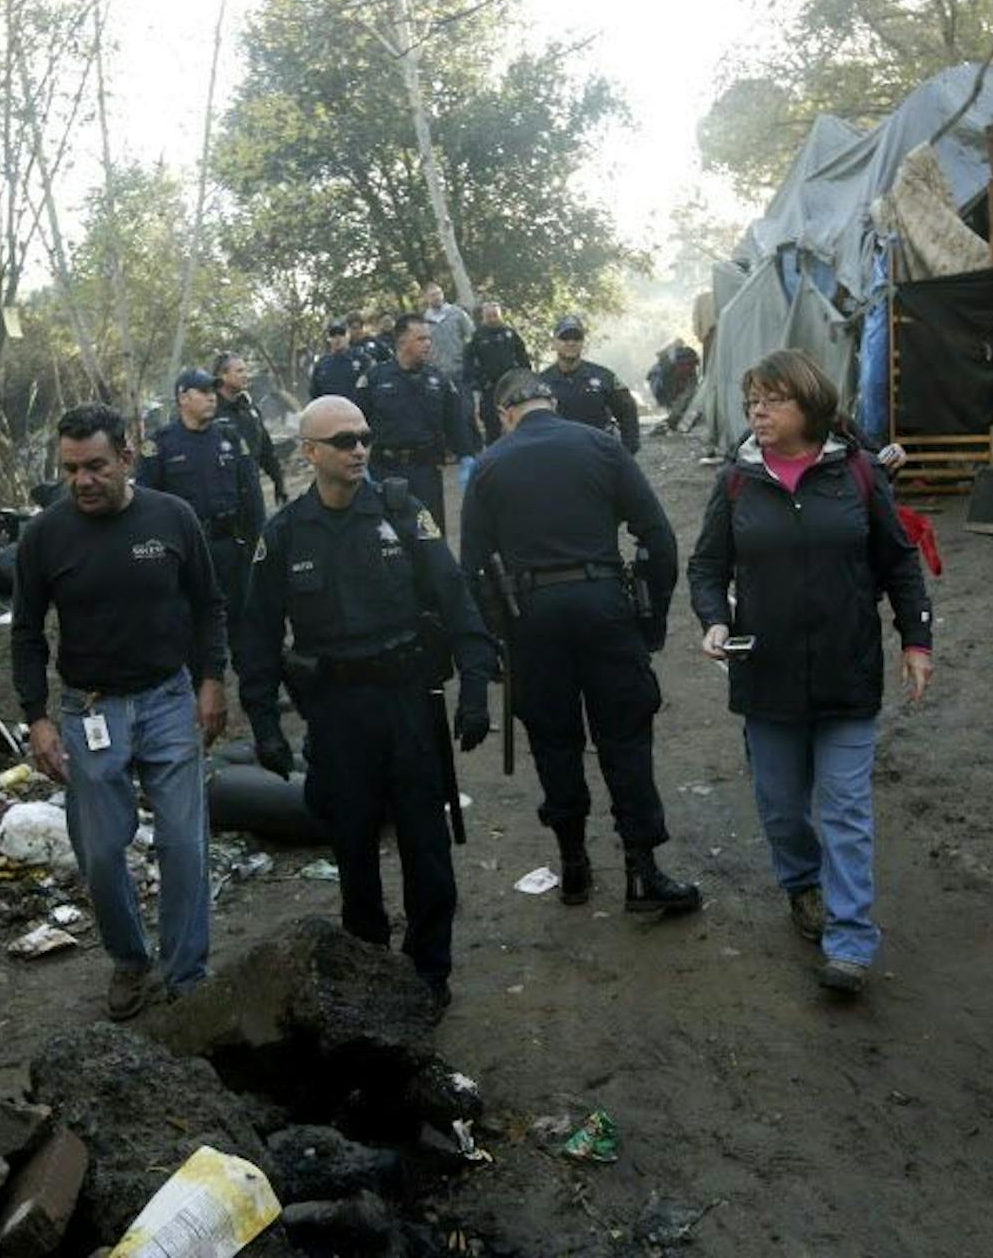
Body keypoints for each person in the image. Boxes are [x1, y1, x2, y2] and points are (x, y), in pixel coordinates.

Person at [687, 349, 933, 996]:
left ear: (809, 404)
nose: (757, 412)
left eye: (772, 399)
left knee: (846, 808)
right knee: (780, 806)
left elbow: (899, 561)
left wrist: (917, 640)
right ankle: (802, 884)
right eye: (751, 402)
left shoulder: (856, 473)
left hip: (846, 670)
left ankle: (850, 938)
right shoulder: (738, 480)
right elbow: (707, 566)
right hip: (764, 676)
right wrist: (713, 619)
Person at [236, 395, 496, 1008]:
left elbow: (456, 597)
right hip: (337, 715)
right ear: (309, 452)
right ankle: (372, 970)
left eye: (364, 438)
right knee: (353, 852)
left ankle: (430, 975)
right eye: (344, 441)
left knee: (426, 851)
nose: (359, 450)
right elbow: (256, 637)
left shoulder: (403, 513)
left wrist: (477, 687)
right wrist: (266, 725)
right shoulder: (284, 535)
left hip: (407, 704)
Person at [14, 403, 229, 1020]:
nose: (82, 480)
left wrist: (212, 680)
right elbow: (26, 631)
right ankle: (130, 960)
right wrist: (38, 717)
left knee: (184, 844)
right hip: (90, 712)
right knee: (103, 852)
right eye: (71, 469)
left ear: (127, 459)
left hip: (169, 700)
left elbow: (209, 604)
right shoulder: (44, 535)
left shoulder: (172, 517)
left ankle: (188, 976)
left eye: (96, 466)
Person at [461, 372, 701, 915]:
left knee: (554, 741)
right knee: (626, 738)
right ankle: (642, 873)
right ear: (552, 402)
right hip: (603, 606)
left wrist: (494, 639)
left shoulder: (490, 465)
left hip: (532, 619)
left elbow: (470, 568)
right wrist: (652, 620)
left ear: (504, 414)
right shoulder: (600, 446)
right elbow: (659, 540)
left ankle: (573, 868)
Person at [138, 368, 264, 659]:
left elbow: (252, 494)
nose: (212, 398)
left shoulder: (229, 437)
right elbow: (147, 503)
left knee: (247, 624)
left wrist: (255, 542)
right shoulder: (161, 445)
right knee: (193, 629)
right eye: (204, 392)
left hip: (229, 546)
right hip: (187, 552)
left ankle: (258, 698)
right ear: (183, 397)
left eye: (213, 392)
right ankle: (201, 692)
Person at [356, 312, 475, 534]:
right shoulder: (375, 378)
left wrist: (467, 456)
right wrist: (361, 467)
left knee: (429, 535)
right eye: (421, 339)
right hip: (385, 472)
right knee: (392, 539)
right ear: (402, 342)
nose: (428, 344)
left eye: (429, 338)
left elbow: (456, 423)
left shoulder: (438, 380)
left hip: (425, 474)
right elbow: (357, 425)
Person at [545, 316, 642, 454]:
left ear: (583, 342)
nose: (571, 343)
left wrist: (628, 448)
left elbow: (627, 410)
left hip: (598, 453)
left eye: (577, 338)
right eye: (564, 338)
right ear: (554, 343)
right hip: (558, 454)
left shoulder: (603, 377)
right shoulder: (541, 382)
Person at [212, 351, 287, 506]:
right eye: (239, 371)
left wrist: (278, 480)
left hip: (252, 493)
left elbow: (266, 448)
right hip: (221, 496)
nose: (246, 375)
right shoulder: (210, 411)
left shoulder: (249, 408)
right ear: (223, 375)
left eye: (245, 370)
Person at [465, 301, 532, 446]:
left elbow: (523, 357)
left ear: (500, 316)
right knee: (491, 424)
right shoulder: (477, 337)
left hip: (511, 387)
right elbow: (468, 363)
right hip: (489, 388)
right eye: (489, 316)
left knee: (516, 420)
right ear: (483, 317)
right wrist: (476, 382)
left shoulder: (510, 333)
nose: (492, 319)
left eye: (495, 315)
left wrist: (525, 377)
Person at [309, 318, 369, 404]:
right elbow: (314, 394)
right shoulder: (321, 363)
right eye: (333, 334)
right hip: (328, 412)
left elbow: (368, 393)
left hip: (354, 412)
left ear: (348, 335)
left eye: (341, 333)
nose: (338, 338)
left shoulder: (363, 360)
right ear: (328, 338)